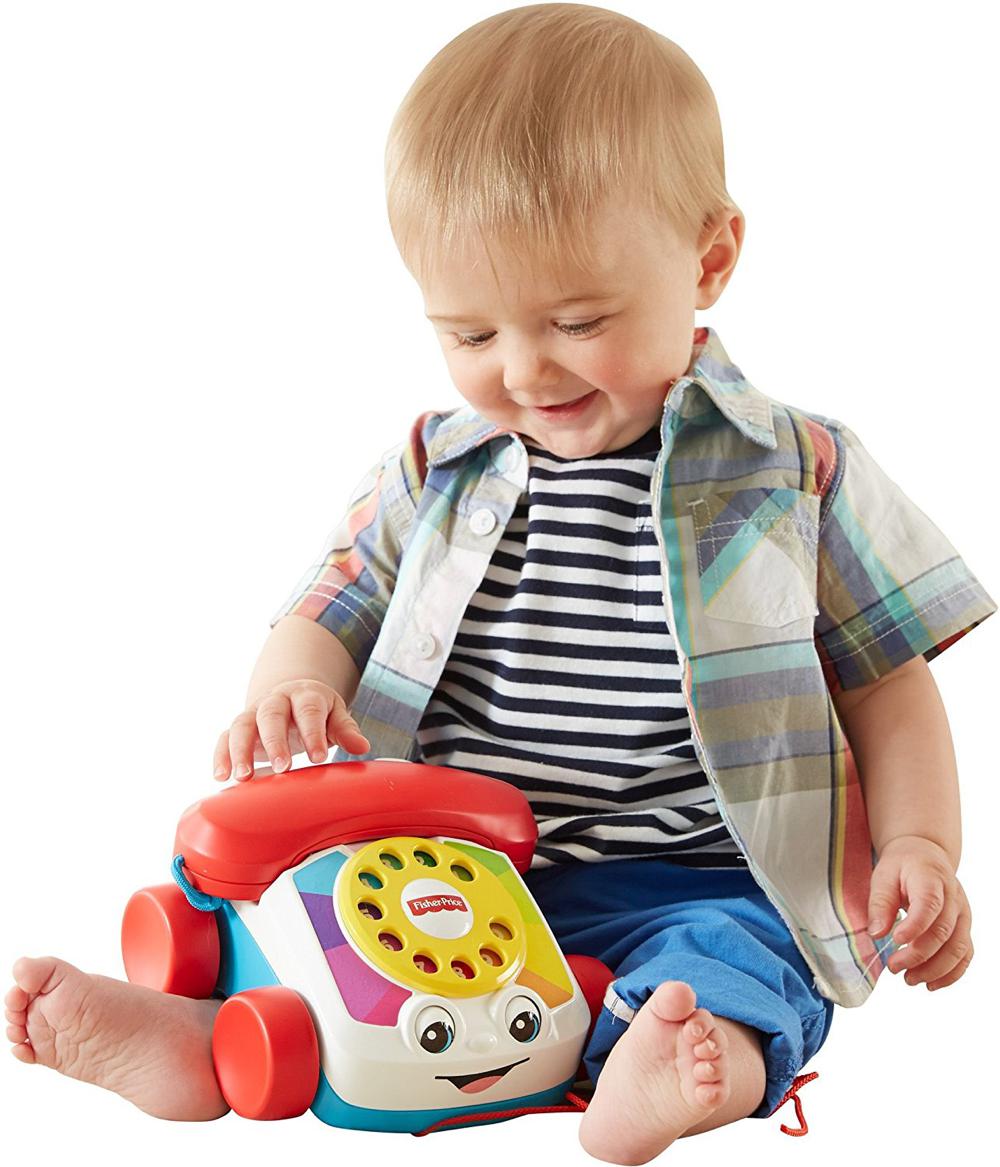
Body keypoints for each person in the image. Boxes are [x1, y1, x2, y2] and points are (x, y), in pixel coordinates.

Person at [6, 5, 996, 1164]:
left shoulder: (801, 470)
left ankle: (676, 1062)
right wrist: (290, 691)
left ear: (708, 260)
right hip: (446, 868)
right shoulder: (434, 467)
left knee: (737, 965)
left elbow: (887, 685)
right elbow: (326, 612)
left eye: (576, 321)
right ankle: (207, 1039)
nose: (524, 370)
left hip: (697, 874)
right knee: (275, 904)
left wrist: (920, 846)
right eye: (470, 335)